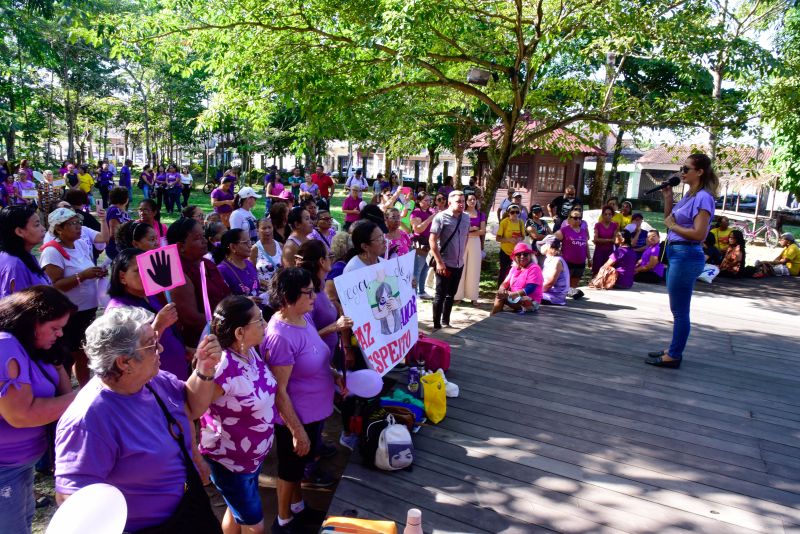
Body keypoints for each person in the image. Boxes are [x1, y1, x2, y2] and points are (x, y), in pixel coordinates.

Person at [54, 306, 223, 534]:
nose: (160, 348)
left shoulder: (154, 381)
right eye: (152, 344)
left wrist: (204, 368)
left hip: (189, 509)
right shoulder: (88, 420)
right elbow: (73, 500)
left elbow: (191, 407)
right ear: (125, 362)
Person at [261, 268, 345, 533]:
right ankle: (283, 521)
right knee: (289, 469)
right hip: (295, 416)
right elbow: (279, 390)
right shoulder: (279, 336)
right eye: (308, 292)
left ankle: (298, 508)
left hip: (313, 411)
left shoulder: (303, 316)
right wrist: (296, 430)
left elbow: (313, 353)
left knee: (298, 467)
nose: (314, 295)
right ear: (287, 297)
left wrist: (333, 374)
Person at [0, 286, 77, 534]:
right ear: (31, 321)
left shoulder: (30, 347)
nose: (60, 333)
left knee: (23, 523)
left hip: (20, 464)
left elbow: (64, 395)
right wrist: (89, 393)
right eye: (54, 328)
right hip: (4, 468)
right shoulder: (5, 346)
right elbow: (23, 414)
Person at [199, 296, 277, 534]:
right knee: (256, 527)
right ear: (240, 332)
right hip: (230, 462)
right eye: (260, 320)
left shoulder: (251, 352)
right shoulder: (222, 367)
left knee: (236, 513)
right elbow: (194, 407)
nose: (265, 324)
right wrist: (194, 454)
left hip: (251, 457)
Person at [646, 153, 717, 369]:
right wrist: (668, 197)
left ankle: (674, 355)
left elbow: (699, 234)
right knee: (676, 309)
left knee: (680, 311)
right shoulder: (689, 196)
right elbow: (670, 220)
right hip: (677, 253)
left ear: (700, 172)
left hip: (687, 254)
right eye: (682, 168)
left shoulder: (704, 197)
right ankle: (673, 349)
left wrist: (675, 227)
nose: (682, 173)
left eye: (686, 169)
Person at [40, 208, 110, 385]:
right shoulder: (52, 252)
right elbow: (55, 285)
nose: (79, 227)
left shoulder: (79, 244)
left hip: (87, 309)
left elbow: (85, 268)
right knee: (69, 355)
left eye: (79, 222)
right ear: (58, 229)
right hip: (69, 313)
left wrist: (96, 272)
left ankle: (83, 387)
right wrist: (83, 276)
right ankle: (64, 389)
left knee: (83, 353)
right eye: (72, 224)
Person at [107, 249, 188, 379]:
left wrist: (184, 350)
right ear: (122, 277)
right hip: (152, 380)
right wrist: (158, 325)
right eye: (138, 270)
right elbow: (130, 353)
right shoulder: (119, 311)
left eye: (148, 268)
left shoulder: (150, 296)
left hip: (176, 371)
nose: (146, 274)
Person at [168, 217, 231, 349]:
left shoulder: (207, 263)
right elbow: (191, 319)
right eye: (197, 238)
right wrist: (230, 321)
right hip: (202, 343)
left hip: (224, 333)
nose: (204, 241)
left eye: (203, 236)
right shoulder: (178, 273)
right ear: (181, 246)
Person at [429, 190, 470, 329]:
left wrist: (461, 254)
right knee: (440, 294)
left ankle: (446, 321)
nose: (462, 204)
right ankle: (436, 325)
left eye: (463, 201)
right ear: (450, 202)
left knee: (451, 294)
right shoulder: (441, 217)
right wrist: (439, 262)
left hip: (459, 263)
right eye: (458, 201)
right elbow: (432, 240)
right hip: (444, 263)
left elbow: (466, 236)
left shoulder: (466, 217)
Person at [0, 205, 50, 297]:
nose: (43, 229)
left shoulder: (24, 255)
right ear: (19, 232)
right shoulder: (15, 265)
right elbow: (22, 307)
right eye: (37, 225)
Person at [491, 242, 543, 315]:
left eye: (525, 254)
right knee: (500, 294)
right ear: (514, 257)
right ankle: (494, 317)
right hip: (516, 298)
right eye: (518, 254)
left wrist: (514, 294)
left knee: (502, 297)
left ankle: (493, 317)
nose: (522, 256)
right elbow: (505, 283)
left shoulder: (534, 268)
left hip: (531, 301)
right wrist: (501, 289)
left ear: (530, 256)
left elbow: (530, 288)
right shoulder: (514, 268)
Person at [455, 193, 486, 305]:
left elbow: (482, 231)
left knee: (474, 268)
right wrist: (472, 229)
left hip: (475, 242)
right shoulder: (461, 214)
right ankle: (458, 295)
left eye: (474, 199)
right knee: (460, 268)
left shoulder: (481, 214)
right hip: (462, 242)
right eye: (470, 199)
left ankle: (473, 297)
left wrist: (468, 233)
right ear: (465, 201)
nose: (472, 201)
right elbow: (458, 230)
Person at [555, 209, 591, 299]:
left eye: (580, 218)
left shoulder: (583, 231)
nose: (578, 220)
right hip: (568, 261)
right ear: (569, 219)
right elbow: (553, 239)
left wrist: (589, 258)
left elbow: (586, 245)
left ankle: (571, 299)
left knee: (574, 285)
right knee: (566, 282)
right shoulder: (564, 230)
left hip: (581, 261)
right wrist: (556, 253)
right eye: (575, 218)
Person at [215, 229, 261, 298]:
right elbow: (223, 300)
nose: (250, 245)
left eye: (250, 241)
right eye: (246, 242)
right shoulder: (222, 270)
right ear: (233, 247)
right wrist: (244, 301)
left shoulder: (249, 264)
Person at [410, 192, 435, 300]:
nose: (428, 202)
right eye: (425, 200)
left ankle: (422, 291)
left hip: (429, 243)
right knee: (417, 269)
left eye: (429, 200)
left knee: (425, 268)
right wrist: (431, 218)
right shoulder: (415, 213)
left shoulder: (430, 211)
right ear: (419, 202)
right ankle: (413, 293)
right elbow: (418, 229)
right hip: (419, 244)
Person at [496, 203, 526, 284]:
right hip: (505, 251)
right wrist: (509, 240)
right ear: (508, 213)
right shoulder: (504, 222)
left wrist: (520, 238)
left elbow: (523, 236)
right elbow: (498, 238)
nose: (515, 214)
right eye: (512, 212)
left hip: (516, 252)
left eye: (517, 212)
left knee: (515, 271)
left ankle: (511, 289)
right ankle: (500, 290)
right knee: (503, 271)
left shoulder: (521, 222)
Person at [250, 217, 283, 291]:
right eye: (264, 228)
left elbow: (284, 268)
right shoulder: (254, 249)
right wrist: (268, 285)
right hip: (263, 290)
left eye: (269, 227)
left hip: (279, 289)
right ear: (257, 230)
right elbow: (252, 274)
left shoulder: (280, 245)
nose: (267, 230)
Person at [537, 235, 570, 305]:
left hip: (555, 296)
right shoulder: (548, 259)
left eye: (543, 244)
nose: (541, 246)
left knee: (525, 296)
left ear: (548, 246)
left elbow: (549, 283)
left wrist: (535, 292)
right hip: (548, 293)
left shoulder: (556, 261)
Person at [104, 186, 131, 261]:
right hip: (117, 248)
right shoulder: (114, 210)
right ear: (126, 199)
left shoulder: (120, 210)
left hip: (122, 247)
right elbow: (113, 233)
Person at [591, 206, 618, 275]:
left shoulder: (614, 225)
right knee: (596, 271)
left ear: (612, 215)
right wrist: (609, 240)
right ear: (602, 215)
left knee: (607, 272)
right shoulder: (598, 225)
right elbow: (596, 239)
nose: (607, 216)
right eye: (605, 214)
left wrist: (601, 240)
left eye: (609, 214)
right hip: (599, 251)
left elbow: (614, 240)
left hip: (610, 252)